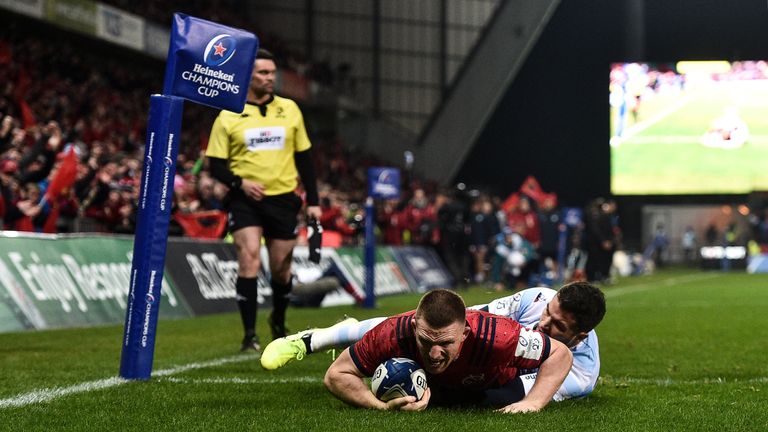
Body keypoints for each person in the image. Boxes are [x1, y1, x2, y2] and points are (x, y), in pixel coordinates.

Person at [262, 281, 605, 403]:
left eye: (556, 324)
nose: (543, 322)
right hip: (482, 337)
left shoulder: (582, 375)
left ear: (580, 336)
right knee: (407, 325)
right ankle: (312, 340)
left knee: (483, 396)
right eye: (548, 312)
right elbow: (475, 315)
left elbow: (516, 386)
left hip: (501, 362)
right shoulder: (534, 300)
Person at [206, 48, 321, 351]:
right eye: (263, 73)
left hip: (284, 200)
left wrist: (314, 200)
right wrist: (239, 183)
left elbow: (305, 159)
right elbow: (216, 164)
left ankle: (279, 321)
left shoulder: (290, 109)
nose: (271, 78)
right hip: (245, 202)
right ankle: (249, 335)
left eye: (272, 73)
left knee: (281, 269)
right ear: (248, 75)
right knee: (249, 258)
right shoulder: (228, 115)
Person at [322, 289, 573, 412]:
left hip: (493, 384)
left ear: (464, 334)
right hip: (441, 386)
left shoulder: (498, 335)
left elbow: (560, 353)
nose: (433, 354)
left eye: (445, 344)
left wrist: (533, 403)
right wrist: (379, 406)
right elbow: (336, 375)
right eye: (426, 341)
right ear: (413, 326)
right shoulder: (392, 333)